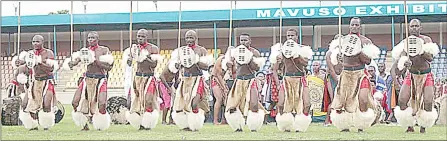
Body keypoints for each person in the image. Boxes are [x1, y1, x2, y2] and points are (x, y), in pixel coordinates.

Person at [329, 17, 381, 132]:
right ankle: (344, 125)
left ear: (360, 27)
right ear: (349, 26)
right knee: (343, 101)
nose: (354, 27)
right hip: (346, 73)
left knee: (362, 99)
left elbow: (368, 61)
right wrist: (338, 58)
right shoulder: (341, 41)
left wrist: (358, 51)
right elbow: (337, 67)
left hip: (360, 73)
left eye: (357, 25)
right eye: (352, 24)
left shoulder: (365, 41)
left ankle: (361, 125)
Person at [391, 19, 440, 133]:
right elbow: (400, 63)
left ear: (420, 28)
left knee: (428, 101)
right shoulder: (405, 42)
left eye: (416, 26)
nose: (414, 28)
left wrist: (421, 49)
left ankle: (423, 126)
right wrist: (404, 63)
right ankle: (409, 125)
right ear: (408, 28)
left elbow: (430, 58)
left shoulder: (426, 40)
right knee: (402, 100)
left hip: (425, 74)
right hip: (411, 75)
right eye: (412, 26)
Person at [63, 31, 114, 131]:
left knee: (102, 103)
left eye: (93, 38)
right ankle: (84, 125)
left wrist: (95, 60)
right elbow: (76, 61)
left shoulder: (104, 50)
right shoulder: (84, 51)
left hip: (100, 79)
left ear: (97, 39)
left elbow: (109, 67)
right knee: (75, 102)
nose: (90, 40)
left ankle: (100, 126)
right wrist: (71, 64)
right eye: (89, 38)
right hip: (88, 79)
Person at [168, 30, 214, 132]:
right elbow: (174, 68)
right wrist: (177, 65)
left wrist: (196, 60)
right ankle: (186, 125)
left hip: (197, 79)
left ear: (196, 38)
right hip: (185, 80)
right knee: (183, 105)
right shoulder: (180, 51)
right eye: (187, 38)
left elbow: (206, 67)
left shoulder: (201, 50)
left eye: (191, 38)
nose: (189, 40)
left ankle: (196, 125)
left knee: (194, 103)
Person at [269, 28, 313, 132]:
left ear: (297, 37)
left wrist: (297, 55)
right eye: (288, 36)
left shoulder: (302, 49)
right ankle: (285, 125)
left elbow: (306, 63)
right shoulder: (281, 50)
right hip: (287, 79)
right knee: (280, 104)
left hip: (300, 79)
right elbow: (274, 69)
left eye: (292, 35)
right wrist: (278, 83)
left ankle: (301, 126)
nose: (290, 38)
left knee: (306, 103)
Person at [223, 33, 267, 132]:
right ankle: (237, 126)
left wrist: (250, 58)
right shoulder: (234, 52)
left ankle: (254, 127)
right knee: (233, 105)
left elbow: (257, 68)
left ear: (250, 41)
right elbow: (228, 66)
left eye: (245, 40)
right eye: (241, 40)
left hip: (251, 80)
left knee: (254, 104)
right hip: (238, 81)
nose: (243, 42)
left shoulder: (254, 52)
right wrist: (228, 64)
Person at [123, 29, 163, 130]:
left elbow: (154, 64)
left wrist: (144, 56)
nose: (140, 38)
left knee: (148, 100)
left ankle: (148, 123)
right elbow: (129, 63)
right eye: (139, 36)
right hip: (138, 77)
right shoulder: (134, 49)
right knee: (139, 101)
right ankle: (140, 123)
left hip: (149, 77)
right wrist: (129, 60)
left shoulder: (153, 48)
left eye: (142, 36)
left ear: (147, 37)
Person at [19, 35, 59, 130]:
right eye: (33, 41)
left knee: (46, 104)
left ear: (42, 42)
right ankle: (33, 124)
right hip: (35, 82)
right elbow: (26, 67)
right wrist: (20, 65)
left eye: (38, 41)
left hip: (47, 81)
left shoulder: (48, 53)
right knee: (25, 104)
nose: (35, 43)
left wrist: (39, 62)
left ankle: (46, 126)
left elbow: (51, 68)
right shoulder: (30, 54)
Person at [322, 34, 343, 127]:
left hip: (343, 77)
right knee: (334, 99)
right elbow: (331, 69)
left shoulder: (345, 52)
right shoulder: (329, 53)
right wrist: (337, 80)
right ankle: (327, 120)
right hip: (332, 78)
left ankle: (341, 120)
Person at [211, 54, 229, 125]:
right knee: (219, 98)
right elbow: (218, 75)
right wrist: (223, 87)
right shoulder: (220, 60)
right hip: (216, 80)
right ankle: (215, 120)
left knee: (226, 99)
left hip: (224, 80)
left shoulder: (232, 61)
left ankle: (224, 120)